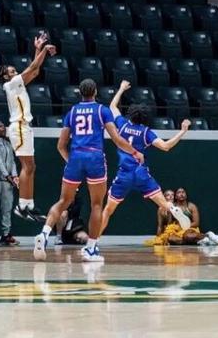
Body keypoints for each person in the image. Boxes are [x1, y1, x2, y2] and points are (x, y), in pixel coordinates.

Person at [74, 82, 190, 263]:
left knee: (107, 211)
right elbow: (166, 146)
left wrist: (120, 89)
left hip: (124, 175)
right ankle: (172, 208)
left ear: (131, 114)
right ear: (144, 117)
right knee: (162, 203)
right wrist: (182, 131)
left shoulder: (121, 124)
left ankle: (92, 244)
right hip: (141, 173)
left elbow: (112, 107)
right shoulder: (146, 132)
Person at [33, 79, 141, 261]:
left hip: (75, 157)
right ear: (95, 92)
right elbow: (116, 138)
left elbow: (61, 145)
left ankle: (43, 234)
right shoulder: (102, 110)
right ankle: (91, 249)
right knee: (97, 204)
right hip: (94, 158)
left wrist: (72, 162)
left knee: (63, 201)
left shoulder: (72, 111)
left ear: (80, 92)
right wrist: (134, 151)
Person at [0, 33, 55, 221]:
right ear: (6, 76)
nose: (15, 73)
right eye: (12, 71)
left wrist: (38, 48)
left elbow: (34, 71)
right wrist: (43, 49)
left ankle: (28, 204)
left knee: (31, 167)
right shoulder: (10, 84)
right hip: (19, 127)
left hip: (25, 127)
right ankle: (21, 206)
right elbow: (33, 67)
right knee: (27, 166)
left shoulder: (17, 85)